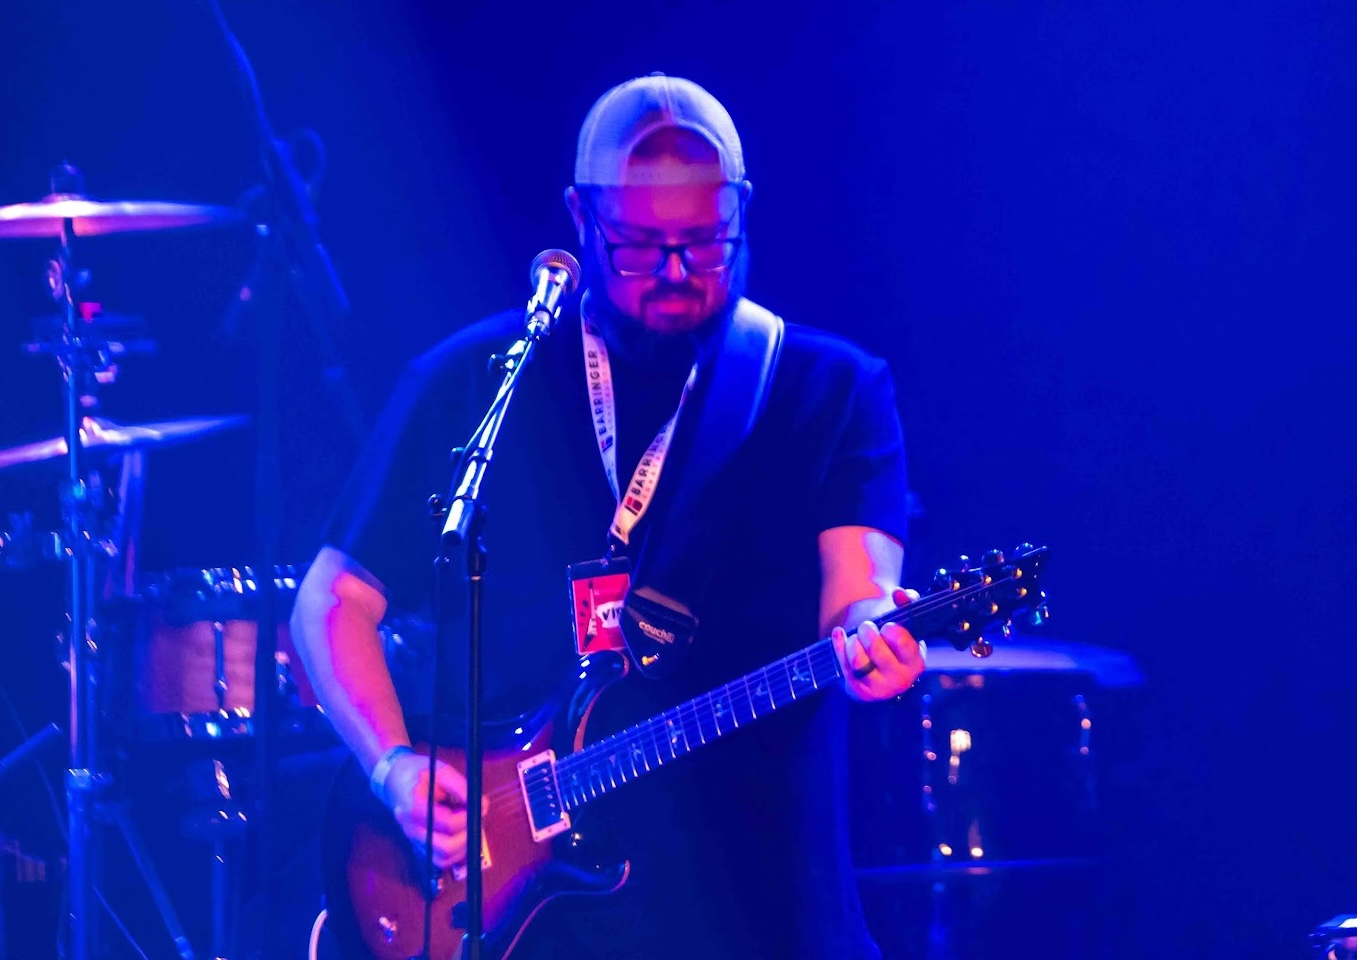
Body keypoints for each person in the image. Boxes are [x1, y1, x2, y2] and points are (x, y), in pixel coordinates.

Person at [291, 73, 924, 960]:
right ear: (580, 221)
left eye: (705, 244)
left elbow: (858, 596)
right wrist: (393, 766)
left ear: (742, 211)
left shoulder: (829, 392)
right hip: (526, 923)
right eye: (638, 246)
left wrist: (873, 636)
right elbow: (330, 602)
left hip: (766, 912)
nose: (675, 273)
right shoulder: (477, 384)